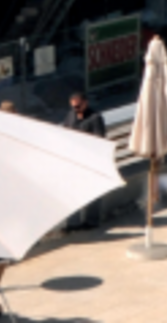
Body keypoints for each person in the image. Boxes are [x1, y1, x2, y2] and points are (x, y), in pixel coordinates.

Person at [62, 91, 108, 230]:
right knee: (72, 191)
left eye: (78, 107)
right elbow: (65, 131)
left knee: (92, 192)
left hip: (90, 161)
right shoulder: (71, 116)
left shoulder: (95, 118)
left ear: (85, 103)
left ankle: (92, 221)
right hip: (74, 160)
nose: (75, 110)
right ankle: (73, 223)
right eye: (73, 107)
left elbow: (99, 140)